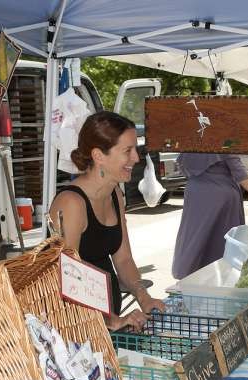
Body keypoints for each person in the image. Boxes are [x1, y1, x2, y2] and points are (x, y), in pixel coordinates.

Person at [49, 111, 166, 331]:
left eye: (136, 150)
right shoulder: (71, 203)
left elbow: (123, 259)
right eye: (127, 151)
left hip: (108, 320)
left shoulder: (116, 195)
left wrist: (144, 298)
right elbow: (62, 279)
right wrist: (112, 321)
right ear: (99, 156)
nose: (136, 158)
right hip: (76, 326)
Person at [171, 154, 248, 279]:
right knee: (222, 238)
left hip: (195, 192)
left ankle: (189, 271)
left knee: (195, 234)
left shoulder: (192, 140)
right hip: (220, 195)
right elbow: (237, 168)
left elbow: (183, 166)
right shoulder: (222, 140)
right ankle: (221, 274)